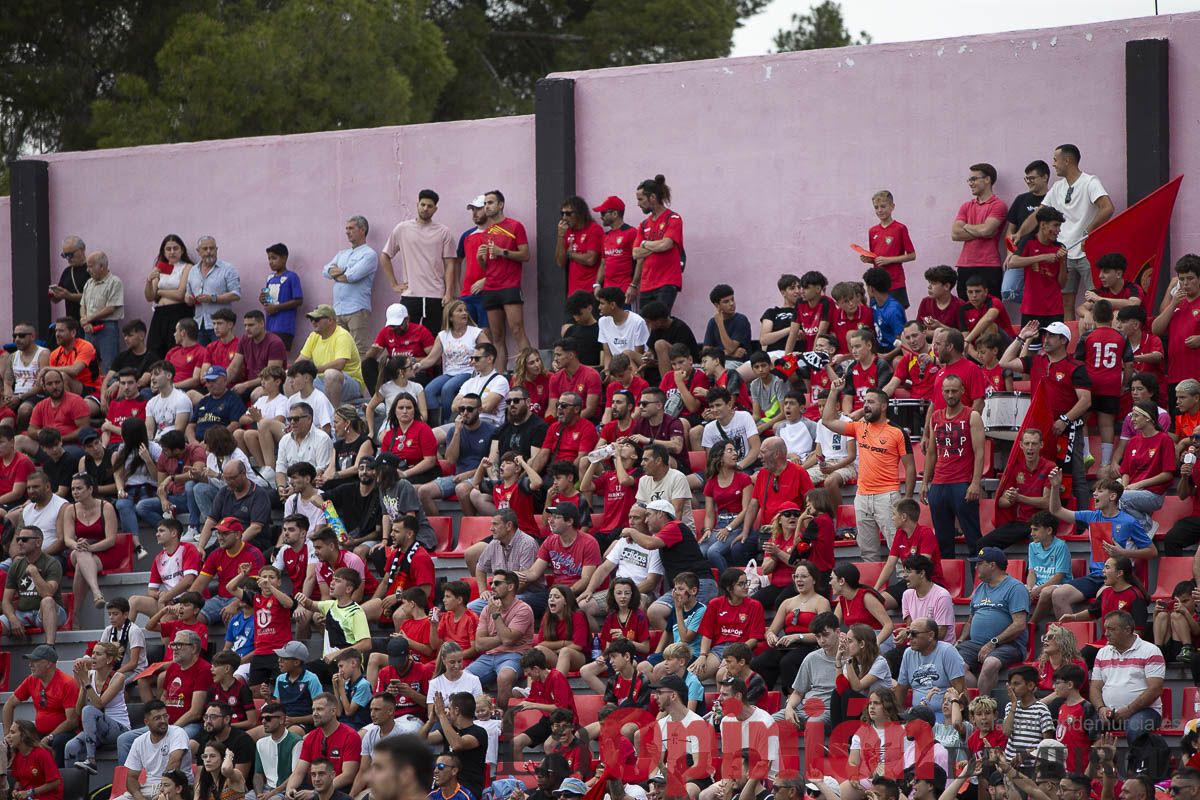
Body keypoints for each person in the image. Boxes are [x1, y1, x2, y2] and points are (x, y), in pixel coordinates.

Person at [1034, 469, 1154, 625]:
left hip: (1117, 576)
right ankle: (1073, 643)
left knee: (1105, 596)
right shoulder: (1090, 516)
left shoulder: (1129, 521)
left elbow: (1152, 551)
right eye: (1095, 491)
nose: (1094, 494)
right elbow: (1056, 510)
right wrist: (1056, 487)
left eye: (1100, 491)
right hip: (1095, 575)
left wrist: (1122, 552)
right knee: (1058, 595)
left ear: (1112, 497)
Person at [1000, 321, 1093, 516]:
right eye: (1045, 335)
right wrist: (1021, 337)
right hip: (1040, 429)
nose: (1045, 339)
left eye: (1051, 336)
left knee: (1075, 475)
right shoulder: (1037, 361)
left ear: (1063, 340)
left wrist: (1064, 420)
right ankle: (1048, 519)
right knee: (1046, 475)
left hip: (1067, 430)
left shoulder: (1075, 366)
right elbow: (1004, 362)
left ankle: (1084, 522)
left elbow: (1085, 401)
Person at [1013, 145, 1115, 321]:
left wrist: (1088, 231)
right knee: (1066, 301)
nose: (1053, 164)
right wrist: (1020, 234)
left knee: (1095, 298)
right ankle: (1069, 341)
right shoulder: (1057, 187)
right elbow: (1038, 214)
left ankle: (1095, 337)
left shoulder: (1090, 182)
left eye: (1055, 160)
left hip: (1086, 251)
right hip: (1063, 253)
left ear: (1067, 160)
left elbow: (1108, 208)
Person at [822, 383, 914, 562]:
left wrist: (908, 498)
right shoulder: (859, 427)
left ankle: (905, 586)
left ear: (884, 406)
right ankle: (873, 589)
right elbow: (828, 421)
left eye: (871, 402)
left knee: (898, 548)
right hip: (862, 496)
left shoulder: (897, 432)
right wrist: (833, 391)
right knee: (867, 553)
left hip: (887, 496)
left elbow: (910, 466)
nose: (865, 405)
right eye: (865, 401)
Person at [921, 374, 984, 558]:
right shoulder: (935, 417)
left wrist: (975, 483)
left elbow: (980, 451)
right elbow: (932, 453)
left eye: (954, 391)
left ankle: (980, 583)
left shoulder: (972, 415)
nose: (950, 395)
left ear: (962, 391)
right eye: (947, 391)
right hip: (939, 484)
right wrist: (925, 482)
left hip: (962, 482)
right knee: (942, 541)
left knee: (974, 538)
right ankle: (946, 585)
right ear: (941, 392)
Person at [956, 548, 1030, 697]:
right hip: (976, 643)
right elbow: (971, 619)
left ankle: (985, 704)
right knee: (955, 664)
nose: (976, 567)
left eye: (979, 563)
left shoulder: (1015, 588)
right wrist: (961, 639)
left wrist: (993, 642)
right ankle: (974, 705)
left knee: (990, 663)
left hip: (1008, 644)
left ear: (992, 565)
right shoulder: (980, 588)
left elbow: (1019, 624)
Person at [381, 190, 458, 331]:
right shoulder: (402, 228)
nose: (425, 209)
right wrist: (394, 284)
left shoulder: (443, 232)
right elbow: (385, 255)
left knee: (434, 337)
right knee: (406, 335)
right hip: (411, 295)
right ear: (417, 205)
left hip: (436, 295)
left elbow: (450, 264)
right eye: (422, 204)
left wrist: (449, 293)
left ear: (435, 209)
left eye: (429, 206)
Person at [1089, 610, 1165, 751]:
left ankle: (1137, 770)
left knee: (1135, 728)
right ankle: (1099, 769)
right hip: (1109, 712)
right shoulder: (1102, 653)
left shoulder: (1150, 651)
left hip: (1145, 711)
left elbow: (1155, 689)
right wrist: (1101, 708)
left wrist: (1129, 710)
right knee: (1090, 725)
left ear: (1127, 630)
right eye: (1106, 629)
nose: (1106, 633)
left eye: (1111, 629)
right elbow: (1094, 687)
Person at [475, 190, 531, 369]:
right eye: (485, 204)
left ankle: (529, 372)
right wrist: (480, 259)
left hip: (510, 286)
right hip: (491, 287)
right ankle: (500, 377)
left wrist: (502, 252)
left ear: (501, 205)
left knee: (517, 330)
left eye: (490, 202)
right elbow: (488, 267)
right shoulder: (486, 232)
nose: (487, 207)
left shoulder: (515, 226)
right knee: (497, 336)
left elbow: (525, 255)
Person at [465, 570, 534, 708]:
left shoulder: (523, 609)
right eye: (491, 583)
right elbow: (479, 644)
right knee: (463, 678)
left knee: (504, 677)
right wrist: (503, 636)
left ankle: (501, 718)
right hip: (488, 656)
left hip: (514, 655)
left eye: (497, 583)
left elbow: (509, 641)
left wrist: (496, 615)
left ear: (510, 587)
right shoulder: (486, 609)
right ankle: (482, 711)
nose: (492, 586)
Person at [2, 644, 79, 764]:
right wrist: (8, 735)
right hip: (40, 731)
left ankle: (58, 778)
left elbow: (72, 721)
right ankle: (20, 777)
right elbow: (9, 704)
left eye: (35, 661)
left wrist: (49, 737)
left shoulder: (67, 683)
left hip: (65, 733)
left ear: (48, 663)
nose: (30, 664)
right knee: (18, 738)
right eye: (30, 661)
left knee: (58, 741)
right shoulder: (32, 680)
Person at [64, 640, 130, 773]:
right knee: (70, 747)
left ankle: (91, 759)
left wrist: (87, 683)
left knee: (89, 710)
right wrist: (83, 686)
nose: (93, 656)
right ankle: (73, 789)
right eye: (93, 653)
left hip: (119, 728)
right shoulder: (89, 675)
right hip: (97, 729)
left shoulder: (118, 677)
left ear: (109, 659)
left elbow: (99, 704)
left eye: (98, 654)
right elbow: (78, 710)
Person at [416, 301, 486, 422]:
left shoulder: (475, 332)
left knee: (447, 388)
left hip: (469, 371)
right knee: (428, 391)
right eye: (459, 311)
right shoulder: (443, 335)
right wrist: (417, 365)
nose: (464, 313)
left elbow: (489, 351)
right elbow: (431, 358)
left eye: (465, 310)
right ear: (450, 317)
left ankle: (448, 422)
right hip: (449, 372)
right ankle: (436, 423)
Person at [284, 694, 361, 798]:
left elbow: (348, 775)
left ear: (333, 711)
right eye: (313, 710)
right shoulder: (310, 737)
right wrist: (290, 790)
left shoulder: (350, 736)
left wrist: (316, 792)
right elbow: (299, 772)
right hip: (315, 789)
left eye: (319, 709)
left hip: (338, 791)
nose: (315, 714)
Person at [0, 525, 66, 644]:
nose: (19, 542)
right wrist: (13, 619)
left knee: (47, 601)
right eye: (18, 539)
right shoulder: (16, 565)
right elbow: (6, 601)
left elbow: (48, 593)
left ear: (38, 542)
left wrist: (34, 572)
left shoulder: (52, 563)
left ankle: (49, 647)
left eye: (24, 539)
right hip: (22, 614)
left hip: (49, 613)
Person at [62, 471, 118, 610]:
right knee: (81, 554)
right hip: (77, 551)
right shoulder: (70, 509)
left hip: (102, 551)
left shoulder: (106, 507)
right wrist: (78, 545)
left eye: (79, 488)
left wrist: (91, 548)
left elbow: (111, 539)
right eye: (73, 489)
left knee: (82, 566)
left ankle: (74, 617)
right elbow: (67, 539)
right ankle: (96, 592)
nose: (75, 492)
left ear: (91, 489)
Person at [952, 162, 1008, 299]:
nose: (970, 183)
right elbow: (955, 234)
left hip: (989, 265)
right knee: (965, 309)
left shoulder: (998, 205)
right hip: (965, 265)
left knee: (991, 308)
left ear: (987, 179)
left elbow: (987, 230)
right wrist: (981, 230)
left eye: (974, 179)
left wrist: (967, 226)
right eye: (969, 180)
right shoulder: (966, 206)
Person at [894, 617, 967, 722]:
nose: (909, 637)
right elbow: (901, 689)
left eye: (914, 634)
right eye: (908, 633)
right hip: (917, 715)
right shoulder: (908, 653)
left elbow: (960, 689)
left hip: (943, 715)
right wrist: (898, 718)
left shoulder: (947, 651)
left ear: (930, 635)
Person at [780, 611, 841, 731]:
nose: (822, 640)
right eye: (818, 636)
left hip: (828, 711)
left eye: (826, 635)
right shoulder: (811, 658)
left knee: (814, 723)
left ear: (838, 632)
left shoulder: (850, 658)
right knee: (767, 722)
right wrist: (789, 708)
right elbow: (798, 692)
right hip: (804, 709)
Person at [296, 305, 366, 408]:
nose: (313, 322)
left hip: (349, 383)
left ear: (330, 320)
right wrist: (292, 372)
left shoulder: (342, 335)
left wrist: (313, 370)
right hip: (322, 380)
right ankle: (296, 415)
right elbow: (301, 360)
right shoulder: (313, 336)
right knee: (290, 376)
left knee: (331, 374)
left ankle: (334, 414)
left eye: (316, 319)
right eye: (311, 319)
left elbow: (340, 364)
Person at [1010, 206, 1068, 327]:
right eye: (1055, 225)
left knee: (1055, 346)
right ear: (1043, 225)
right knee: (1030, 346)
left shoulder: (1060, 247)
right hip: (1031, 308)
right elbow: (1013, 262)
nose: (1058, 230)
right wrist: (1043, 257)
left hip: (1054, 309)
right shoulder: (1028, 241)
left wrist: (1063, 262)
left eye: (1059, 226)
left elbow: (1062, 284)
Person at [423, 693, 486, 800]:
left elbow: (457, 744)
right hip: (443, 786)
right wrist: (430, 721)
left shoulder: (479, 732)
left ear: (456, 710)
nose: (447, 711)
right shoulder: (450, 730)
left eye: (449, 708)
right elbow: (420, 740)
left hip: (467, 788)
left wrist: (442, 715)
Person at [863, 190, 918, 307]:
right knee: (877, 316)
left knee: (896, 314)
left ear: (892, 206)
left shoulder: (900, 228)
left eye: (883, 206)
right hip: (877, 283)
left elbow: (912, 255)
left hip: (895, 281)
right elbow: (875, 257)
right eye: (876, 207)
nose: (879, 210)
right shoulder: (872, 231)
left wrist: (889, 260)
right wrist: (868, 259)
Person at [185, 237, 242, 345]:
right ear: (198, 251)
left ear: (217, 249)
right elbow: (187, 294)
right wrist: (188, 299)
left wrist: (213, 298)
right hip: (198, 324)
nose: (208, 252)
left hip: (220, 325)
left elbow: (236, 294)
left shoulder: (228, 269)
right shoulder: (193, 270)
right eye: (205, 249)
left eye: (212, 248)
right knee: (202, 359)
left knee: (219, 359)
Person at [78, 250, 125, 369]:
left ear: (102, 266)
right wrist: (85, 321)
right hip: (88, 329)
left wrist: (88, 318)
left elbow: (111, 308)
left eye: (90, 266)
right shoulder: (89, 283)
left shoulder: (115, 282)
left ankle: (107, 387)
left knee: (109, 365)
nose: (87, 270)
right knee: (88, 365)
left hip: (107, 328)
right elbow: (83, 305)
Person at [231, 311, 288, 401]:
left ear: (262, 324)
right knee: (226, 395)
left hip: (271, 383)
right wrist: (220, 383)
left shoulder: (275, 343)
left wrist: (245, 385)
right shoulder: (244, 339)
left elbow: (272, 375)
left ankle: (256, 415)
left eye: (251, 325)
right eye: (245, 325)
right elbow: (233, 367)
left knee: (256, 394)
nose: (247, 329)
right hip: (252, 382)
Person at [4, 320, 50, 431]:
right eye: (15, 336)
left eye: (21, 336)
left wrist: (19, 398)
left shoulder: (43, 353)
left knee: (25, 410)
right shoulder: (13, 356)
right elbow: (7, 381)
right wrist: (8, 395)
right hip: (17, 395)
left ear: (32, 336)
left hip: (37, 395)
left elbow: (41, 385)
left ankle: (22, 436)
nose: (17, 339)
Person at [556, 196, 604, 296]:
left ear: (580, 213)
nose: (564, 217)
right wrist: (560, 236)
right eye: (562, 213)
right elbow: (560, 262)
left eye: (568, 214)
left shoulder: (594, 229)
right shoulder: (567, 231)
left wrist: (570, 254)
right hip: (573, 291)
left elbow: (590, 259)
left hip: (590, 290)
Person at [259, 243, 304, 351]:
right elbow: (269, 301)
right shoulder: (270, 278)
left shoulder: (292, 277)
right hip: (269, 326)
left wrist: (276, 308)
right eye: (269, 258)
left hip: (284, 326)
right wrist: (263, 300)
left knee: (279, 355)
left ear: (284, 258)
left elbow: (299, 300)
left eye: (274, 258)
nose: (271, 262)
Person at [5, 719, 63, 800]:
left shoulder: (42, 754)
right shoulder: (17, 756)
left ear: (24, 736)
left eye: (13, 732)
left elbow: (55, 783)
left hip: (48, 797)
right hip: (30, 797)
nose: (8, 736)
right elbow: (19, 781)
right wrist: (16, 790)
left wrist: (29, 792)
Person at [596, 287, 649, 375]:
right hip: (616, 366)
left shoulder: (637, 321)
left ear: (612, 305)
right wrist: (607, 371)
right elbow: (607, 355)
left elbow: (638, 354)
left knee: (626, 354)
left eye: (602, 303)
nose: (599, 307)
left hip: (637, 364)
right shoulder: (602, 322)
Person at [592, 195, 636, 293]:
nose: (601, 217)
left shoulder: (631, 232)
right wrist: (597, 284)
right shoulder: (606, 236)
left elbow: (640, 261)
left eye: (603, 213)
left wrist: (633, 286)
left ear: (615, 214)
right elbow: (603, 263)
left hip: (624, 290)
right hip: (607, 290)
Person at [862, 268, 905, 359]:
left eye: (866, 286)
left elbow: (902, 341)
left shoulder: (893, 310)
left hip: (892, 353)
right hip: (879, 349)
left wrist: (886, 357)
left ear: (871, 288)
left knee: (897, 361)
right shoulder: (874, 303)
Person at [51, 235, 91, 323]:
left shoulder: (92, 269)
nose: (68, 259)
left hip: (91, 322)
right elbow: (57, 299)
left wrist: (69, 296)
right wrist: (52, 294)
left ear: (82, 249)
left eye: (70, 255)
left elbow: (94, 297)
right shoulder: (67, 272)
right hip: (72, 323)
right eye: (65, 255)